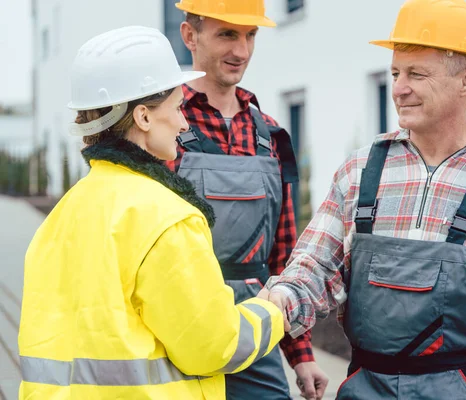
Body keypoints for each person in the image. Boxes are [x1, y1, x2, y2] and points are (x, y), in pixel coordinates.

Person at [263, 0, 466, 398]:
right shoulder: (359, 173)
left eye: (416, 74)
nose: (398, 88)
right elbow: (314, 267)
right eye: (395, 73)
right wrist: (277, 301)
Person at [18, 26, 284, 400]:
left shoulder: (63, 215)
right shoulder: (168, 218)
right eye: (176, 108)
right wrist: (273, 311)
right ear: (143, 117)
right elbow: (212, 346)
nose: (183, 123)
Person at [167, 1, 328, 399]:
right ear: (190, 35)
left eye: (250, 35)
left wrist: (301, 352)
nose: (241, 51)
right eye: (227, 34)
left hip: (253, 326)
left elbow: (285, 253)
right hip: (176, 322)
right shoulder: (161, 127)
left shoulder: (271, 135)